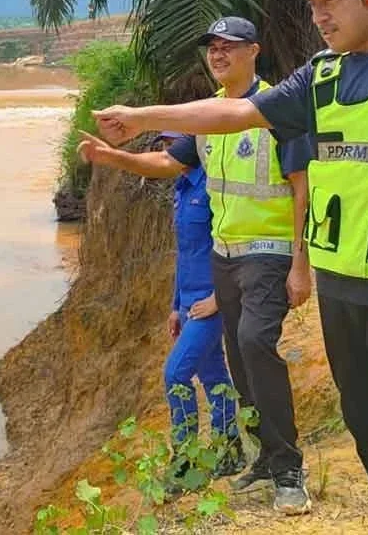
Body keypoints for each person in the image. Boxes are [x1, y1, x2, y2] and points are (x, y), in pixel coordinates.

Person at [92, 0, 368, 534]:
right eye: (313, 5)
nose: (320, 16)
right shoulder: (321, 75)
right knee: (362, 421)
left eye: (331, 0)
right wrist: (145, 117)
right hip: (340, 283)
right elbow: (234, 113)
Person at [78, 16, 314, 515]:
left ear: (255, 50)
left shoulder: (277, 108)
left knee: (255, 343)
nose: (218, 54)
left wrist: (300, 262)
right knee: (239, 357)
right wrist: (112, 158)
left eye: (229, 47)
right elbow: (168, 165)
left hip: (268, 251)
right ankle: (264, 458)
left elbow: (300, 186)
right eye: (212, 47)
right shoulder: (206, 119)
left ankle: (290, 470)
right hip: (224, 254)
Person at [143, 131, 243, 490]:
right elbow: (185, 253)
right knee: (215, 376)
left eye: (171, 145)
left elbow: (231, 243)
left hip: (210, 303)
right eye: (161, 147)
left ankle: (184, 460)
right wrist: (174, 306)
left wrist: (220, 296)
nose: (165, 152)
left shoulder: (213, 188)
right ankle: (229, 449)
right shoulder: (182, 188)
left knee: (175, 375)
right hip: (188, 303)